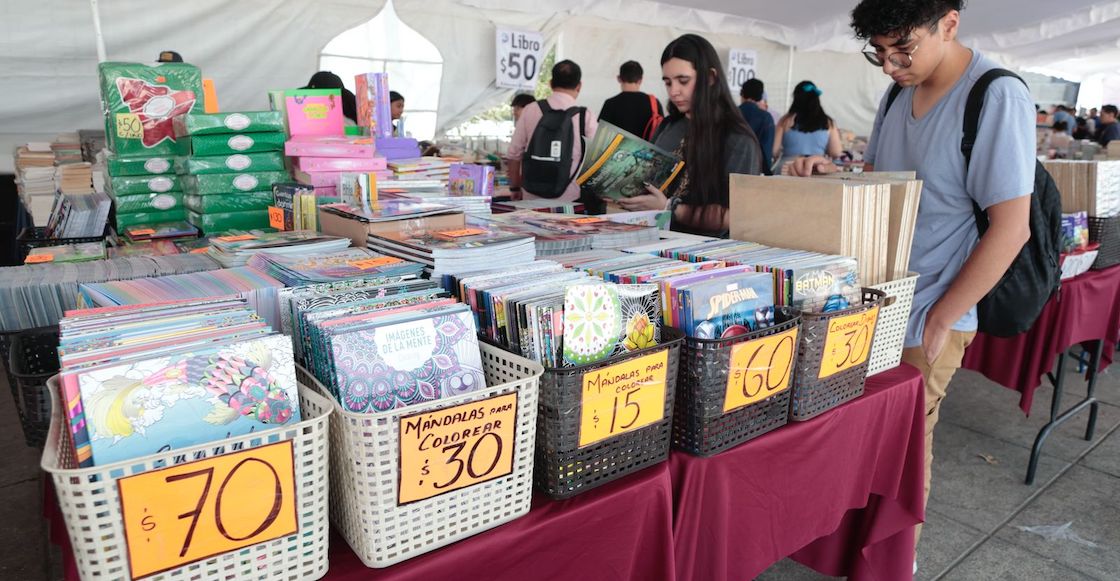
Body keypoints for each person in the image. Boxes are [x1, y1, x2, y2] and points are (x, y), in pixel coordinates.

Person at [790, 0, 1033, 566]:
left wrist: (945, 316)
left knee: (907, 448)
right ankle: (849, 549)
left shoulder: (995, 94)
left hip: (934, 309)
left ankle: (895, 564)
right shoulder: (899, 92)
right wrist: (835, 172)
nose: (890, 65)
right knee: (861, 435)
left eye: (903, 48)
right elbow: (883, 183)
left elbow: (1012, 226)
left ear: (949, 23)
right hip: (878, 299)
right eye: (879, 52)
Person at [613, 34, 763, 236]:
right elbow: (649, 185)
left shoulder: (737, 139)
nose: (674, 91)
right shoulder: (668, 126)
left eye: (683, 81)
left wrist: (670, 208)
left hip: (703, 256)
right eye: (668, 82)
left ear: (710, 78)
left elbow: (734, 216)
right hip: (654, 242)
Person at [505, 60, 598, 202]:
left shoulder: (530, 110)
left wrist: (515, 188)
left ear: (550, 83)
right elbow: (598, 159)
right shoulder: (586, 116)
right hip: (570, 198)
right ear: (579, 86)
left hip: (532, 195)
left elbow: (514, 154)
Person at [773, 80, 844, 170]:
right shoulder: (828, 122)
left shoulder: (785, 121)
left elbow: (774, 150)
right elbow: (836, 152)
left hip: (788, 167)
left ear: (795, 98)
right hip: (815, 167)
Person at [598, 61, 665, 139]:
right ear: (640, 80)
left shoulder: (609, 104)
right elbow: (662, 133)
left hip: (617, 150)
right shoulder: (654, 103)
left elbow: (600, 137)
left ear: (619, 78)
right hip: (647, 151)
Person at [739, 78, 776, 175]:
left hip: (727, 169)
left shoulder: (729, 114)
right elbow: (766, 149)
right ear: (760, 97)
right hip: (754, 170)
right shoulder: (766, 118)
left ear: (742, 94)